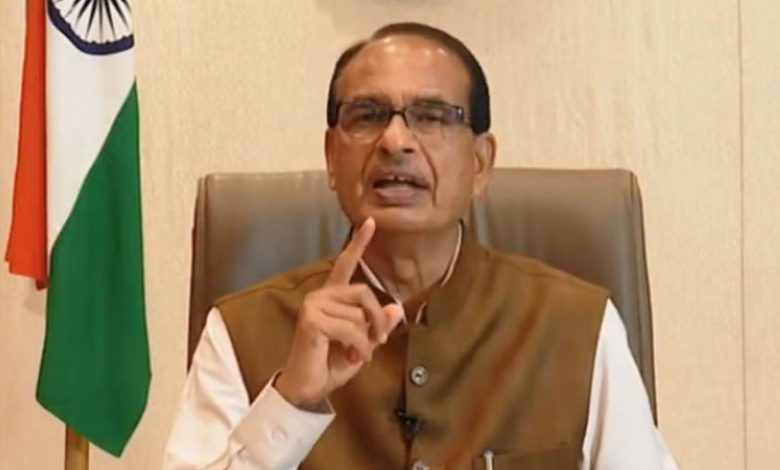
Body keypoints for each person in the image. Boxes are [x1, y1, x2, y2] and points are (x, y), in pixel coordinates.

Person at [163, 22, 678, 470]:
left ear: (480, 163)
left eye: (432, 116)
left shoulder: (576, 324)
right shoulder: (241, 330)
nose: (395, 141)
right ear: (331, 157)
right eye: (367, 115)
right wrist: (291, 401)